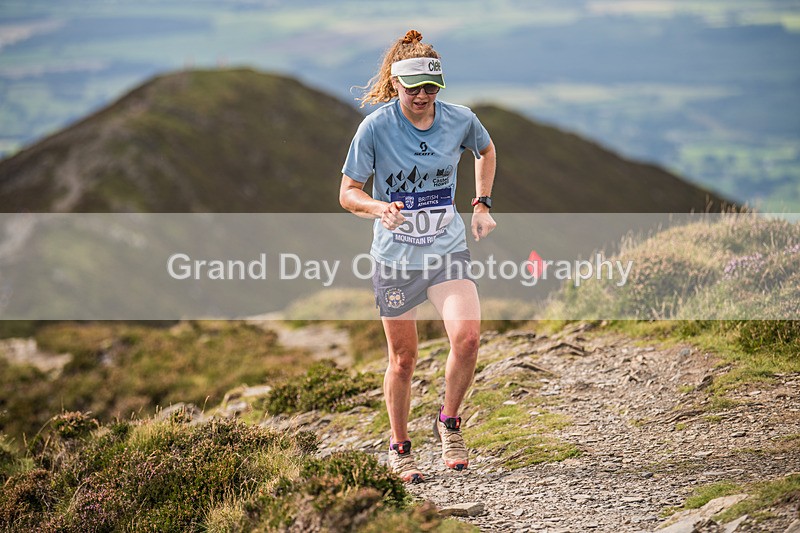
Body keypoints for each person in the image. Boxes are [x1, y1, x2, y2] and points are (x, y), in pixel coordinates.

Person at [339, 29, 496, 483]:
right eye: (414, 88)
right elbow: (347, 193)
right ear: (395, 84)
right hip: (395, 260)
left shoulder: (459, 119)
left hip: (446, 249)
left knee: (467, 338)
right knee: (403, 361)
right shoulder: (375, 128)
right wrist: (377, 207)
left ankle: (448, 422)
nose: (423, 96)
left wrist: (481, 204)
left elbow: (485, 149)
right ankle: (400, 447)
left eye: (431, 87)